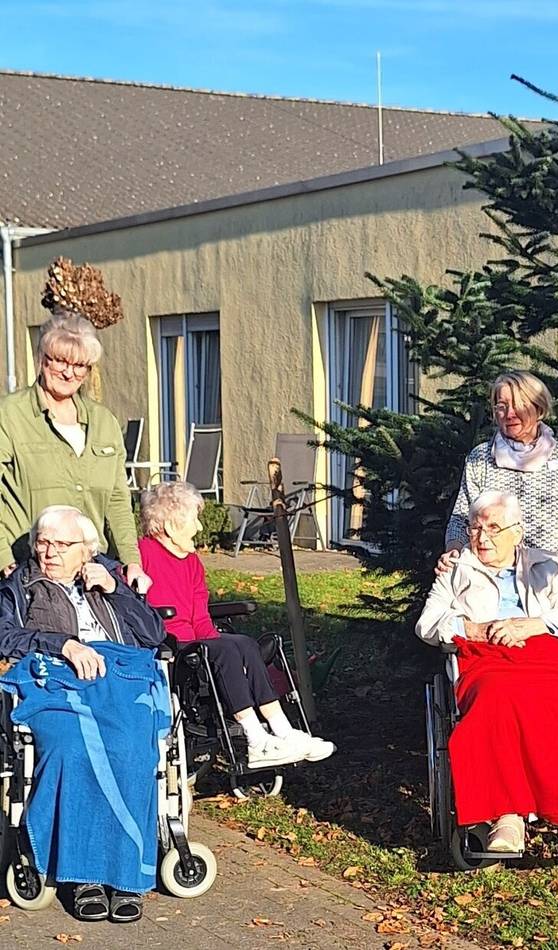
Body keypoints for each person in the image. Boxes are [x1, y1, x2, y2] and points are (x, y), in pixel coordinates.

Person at [417, 490, 558, 855]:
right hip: (486, 656)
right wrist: (470, 627)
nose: (482, 536)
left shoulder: (547, 566)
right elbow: (427, 623)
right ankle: (507, 816)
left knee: (555, 703)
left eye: (494, 527)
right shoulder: (455, 570)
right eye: (476, 527)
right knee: (497, 698)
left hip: (545, 652)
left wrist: (532, 624)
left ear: (517, 533)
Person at [0, 506, 169, 923]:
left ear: (86, 551)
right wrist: (63, 645)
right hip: (55, 682)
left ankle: (126, 875)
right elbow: (5, 636)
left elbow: (154, 634)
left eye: (62, 544)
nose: (49, 552)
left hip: (120, 679)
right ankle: (82, 876)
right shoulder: (20, 584)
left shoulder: (109, 577)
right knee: (71, 748)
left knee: (131, 748)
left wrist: (115, 589)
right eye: (43, 541)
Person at [137, 481, 335, 768]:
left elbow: (201, 617)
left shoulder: (191, 562)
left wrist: (213, 640)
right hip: (165, 644)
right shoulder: (143, 554)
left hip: (194, 642)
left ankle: (283, 731)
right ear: (169, 524)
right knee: (226, 651)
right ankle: (256, 741)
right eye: (194, 519)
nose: (200, 528)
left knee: (242, 644)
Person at [0, 312, 149, 591]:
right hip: (31, 571)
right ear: (42, 357)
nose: (69, 372)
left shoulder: (104, 422)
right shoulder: (9, 415)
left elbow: (118, 499)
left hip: (94, 570)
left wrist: (132, 561)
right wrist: (3, 559)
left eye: (79, 364)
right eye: (60, 360)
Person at [440, 371, 558, 577]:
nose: (510, 414)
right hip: (489, 580)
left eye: (519, 405)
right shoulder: (481, 458)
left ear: (538, 408)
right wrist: (453, 551)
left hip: (549, 577)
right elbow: (460, 519)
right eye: (502, 407)